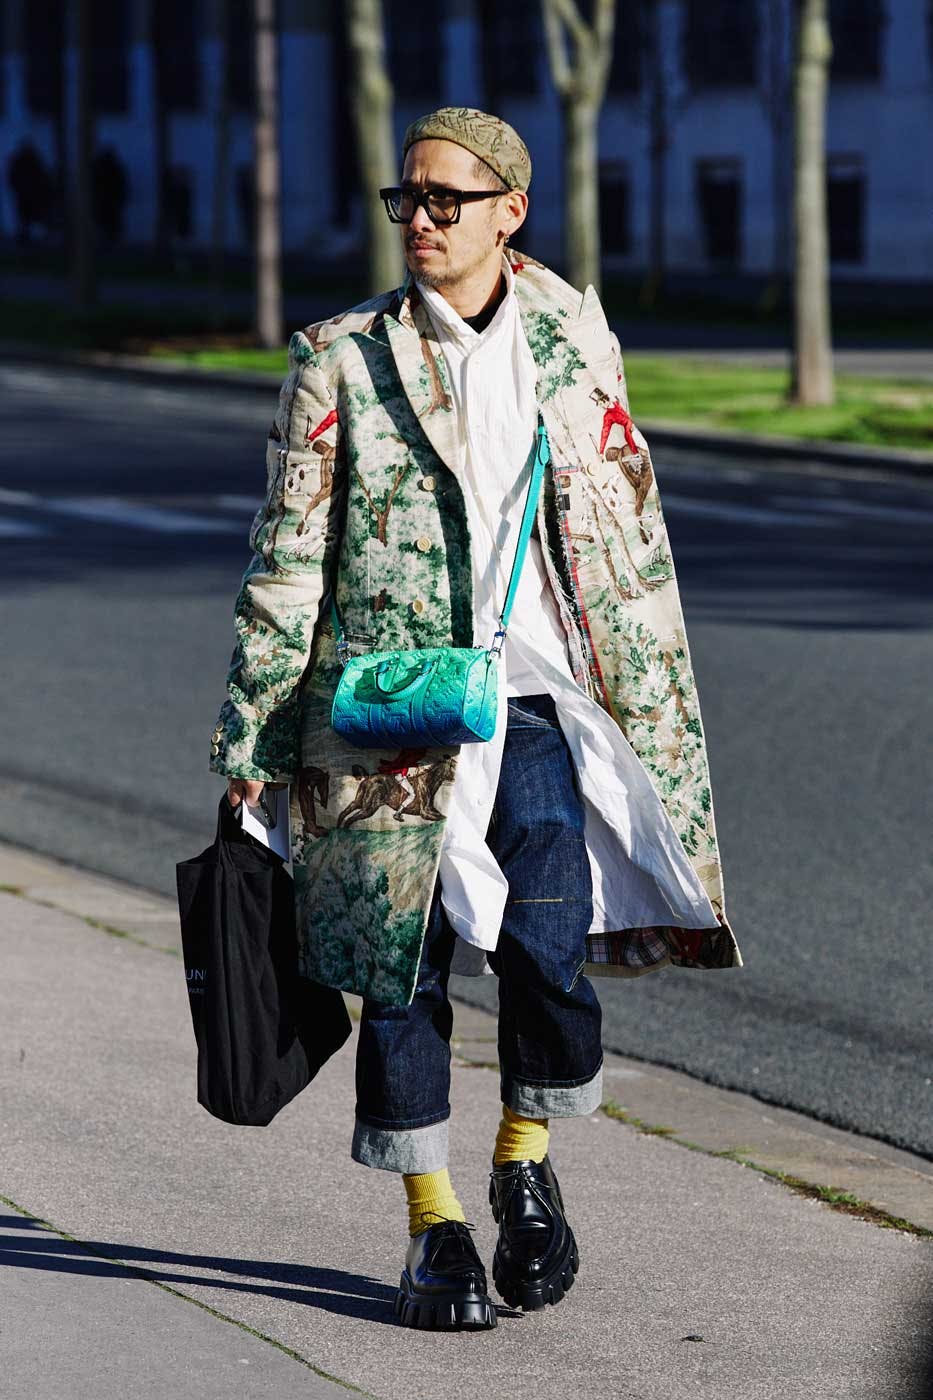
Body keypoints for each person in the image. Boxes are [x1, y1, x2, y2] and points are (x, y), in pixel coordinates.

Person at [211, 106, 742, 1332]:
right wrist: (250, 742)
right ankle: (436, 1230)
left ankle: (523, 1154)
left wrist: (656, 690)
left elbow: (629, 518)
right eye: (408, 200)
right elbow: (289, 559)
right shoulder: (340, 359)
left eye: (449, 198)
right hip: (384, 710)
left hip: (539, 695)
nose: (423, 220)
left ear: (512, 208)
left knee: (550, 938)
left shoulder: (572, 336)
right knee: (399, 974)